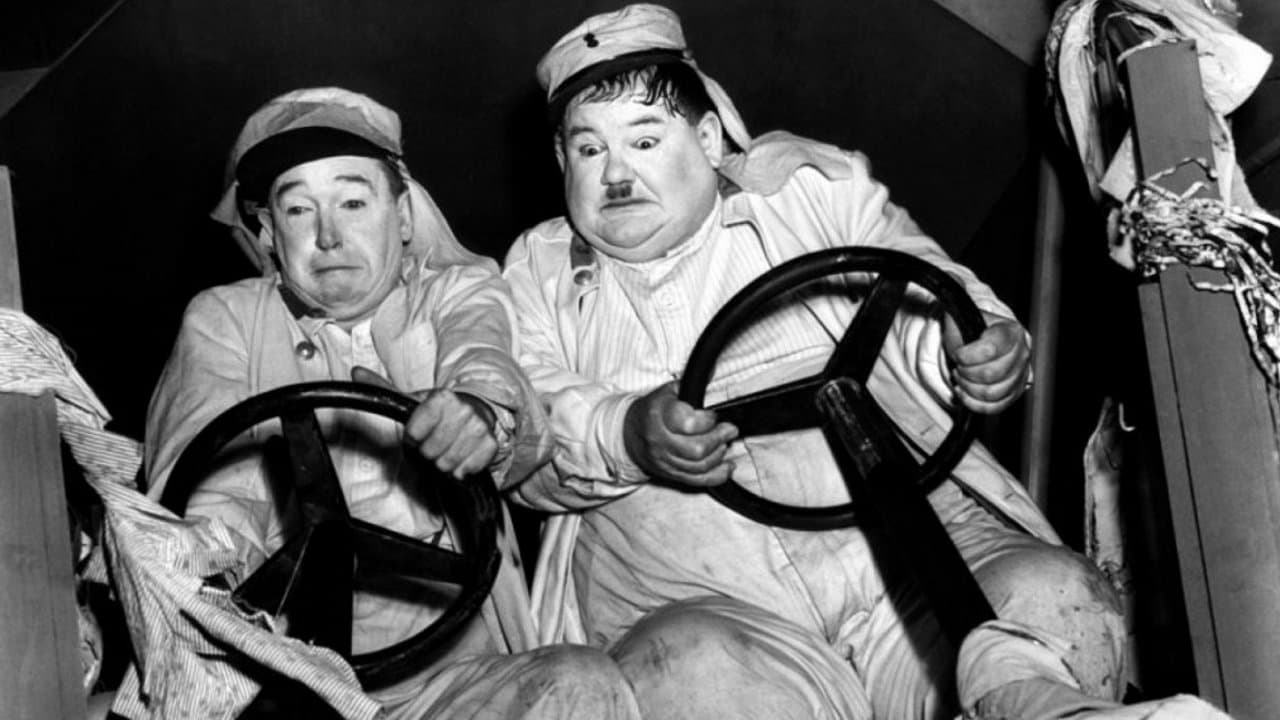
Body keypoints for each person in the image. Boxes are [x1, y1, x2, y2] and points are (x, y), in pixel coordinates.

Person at [503, 5, 1228, 719]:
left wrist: (970, 348)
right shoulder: (535, 273)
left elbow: (922, 285)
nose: (616, 175)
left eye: (644, 140)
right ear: (562, 161)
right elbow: (523, 436)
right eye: (589, 150)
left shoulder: (811, 191)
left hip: (904, 568)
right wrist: (628, 434)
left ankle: (1048, 708)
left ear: (707, 136)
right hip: (695, 604)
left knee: (1046, 593)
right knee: (690, 670)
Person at [144, 87, 642, 720]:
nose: (328, 236)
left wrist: (478, 412)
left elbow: (483, 356)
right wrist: (211, 577)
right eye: (298, 210)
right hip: (292, 689)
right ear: (267, 233)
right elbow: (206, 492)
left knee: (579, 680)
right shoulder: (227, 320)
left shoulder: (456, 291)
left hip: (459, 680)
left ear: (402, 217)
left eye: (353, 203)